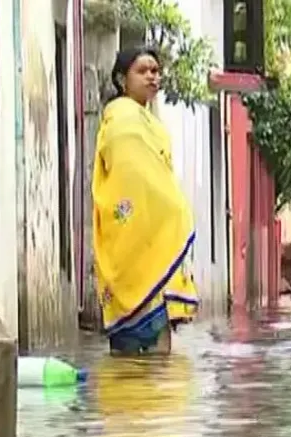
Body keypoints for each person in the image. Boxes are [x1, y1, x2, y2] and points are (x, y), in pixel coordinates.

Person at [92, 46, 199, 355]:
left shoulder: (150, 121)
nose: (152, 76)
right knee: (152, 355)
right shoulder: (123, 118)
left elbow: (156, 175)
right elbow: (133, 178)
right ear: (121, 79)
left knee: (149, 349)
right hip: (132, 238)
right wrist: (171, 209)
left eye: (155, 70)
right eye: (143, 70)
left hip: (153, 243)